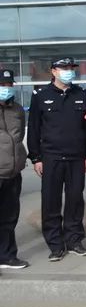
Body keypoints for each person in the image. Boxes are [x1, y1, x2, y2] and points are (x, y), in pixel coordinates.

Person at [28, 57, 86, 262]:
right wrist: (36, 158)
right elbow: (34, 129)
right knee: (51, 202)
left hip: (76, 157)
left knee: (75, 200)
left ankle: (74, 241)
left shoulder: (81, 94)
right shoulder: (40, 95)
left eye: (71, 68)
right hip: (51, 158)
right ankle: (56, 245)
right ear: (53, 71)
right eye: (64, 68)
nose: (68, 71)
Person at [0, 69, 29, 270]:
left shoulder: (17, 109)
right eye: (3, 85)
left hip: (13, 172)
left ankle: (8, 255)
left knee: (9, 217)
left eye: (9, 85)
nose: (6, 88)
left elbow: (18, 138)